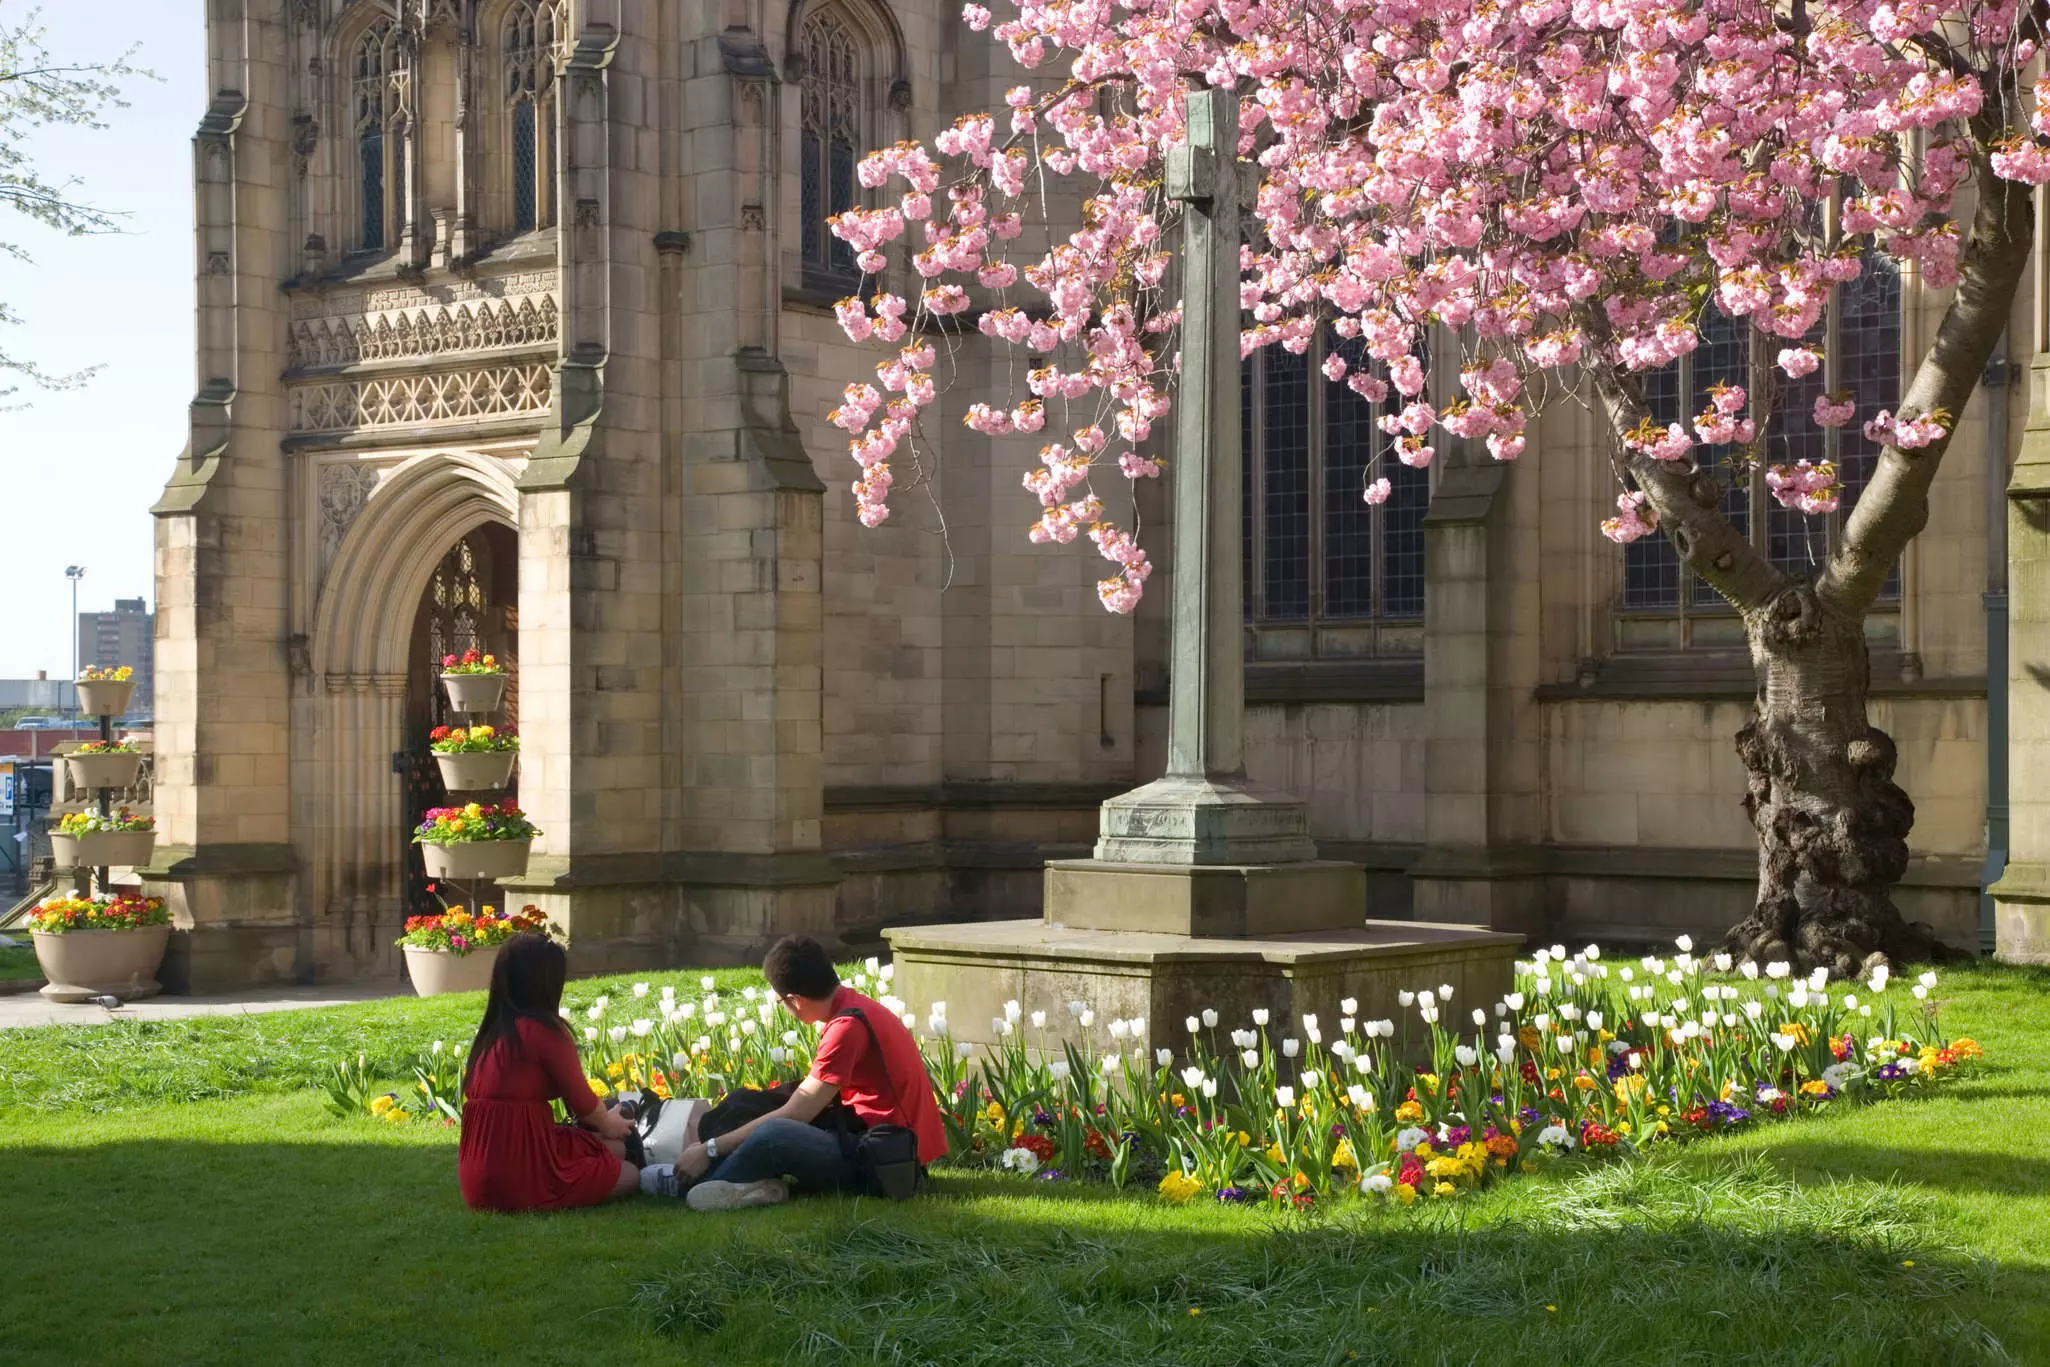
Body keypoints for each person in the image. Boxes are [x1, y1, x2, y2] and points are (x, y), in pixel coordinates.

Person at [647, 935, 948, 1211]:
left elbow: (796, 1114)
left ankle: (690, 1184)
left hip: (886, 1165)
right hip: (885, 1147)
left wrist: (710, 1149)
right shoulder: (858, 1007)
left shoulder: (847, 1028)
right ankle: (748, 1186)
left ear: (794, 999)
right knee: (752, 1104)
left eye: (781, 1002)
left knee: (773, 1135)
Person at [457, 933, 640, 1212]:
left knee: (610, 1150)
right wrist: (611, 1122)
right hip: (522, 1172)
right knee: (629, 1172)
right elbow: (584, 1105)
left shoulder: (492, 1033)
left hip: (478, 1178)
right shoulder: (544, 1030)